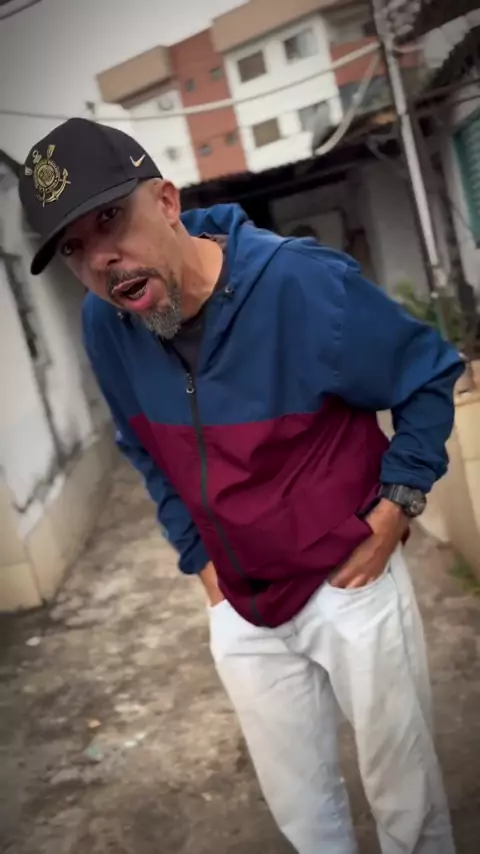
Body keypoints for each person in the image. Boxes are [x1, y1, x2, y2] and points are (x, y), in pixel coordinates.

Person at [20, 118, 462, 854]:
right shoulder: (105, 325)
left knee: (406, 802)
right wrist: (197, 557)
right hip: (242, 604)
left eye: (111, 218)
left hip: (347, 581)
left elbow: (430, 375)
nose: (100, 258)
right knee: (304, 814)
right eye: (73, 247)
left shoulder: (299, 284)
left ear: (167, 202)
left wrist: (398, 506)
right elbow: (141, 445)